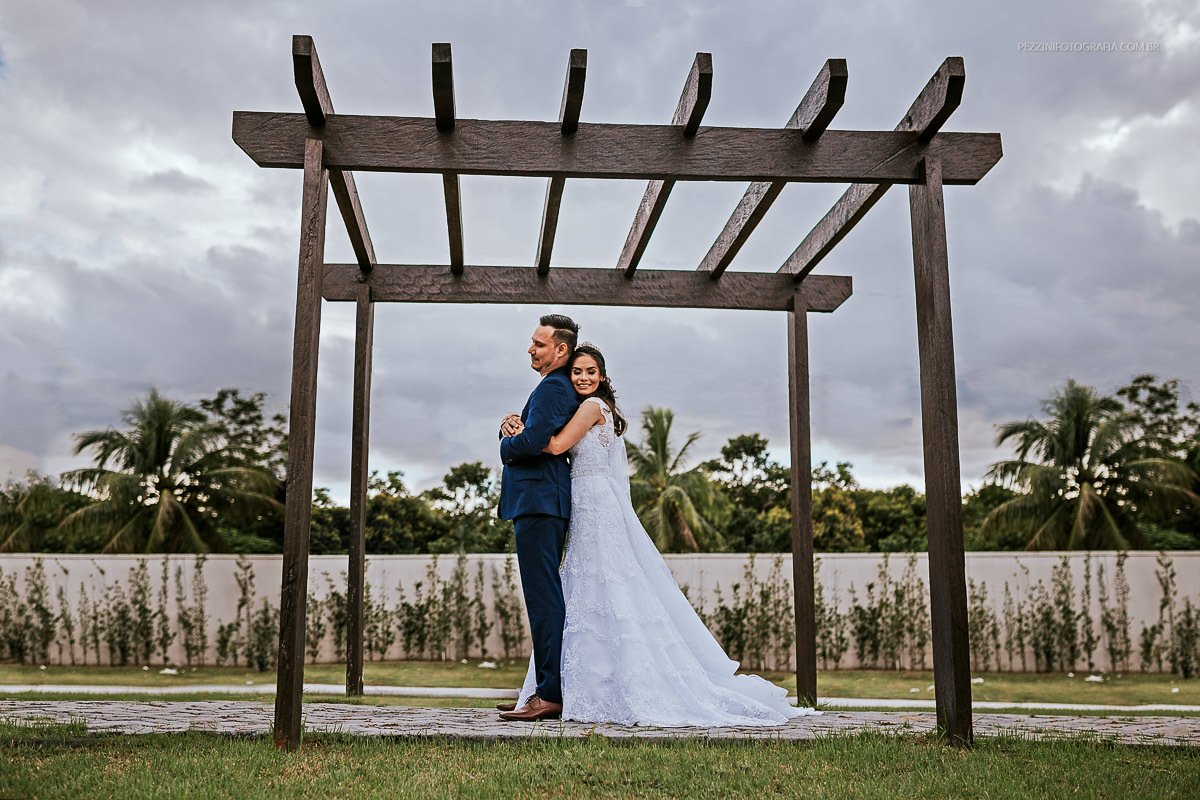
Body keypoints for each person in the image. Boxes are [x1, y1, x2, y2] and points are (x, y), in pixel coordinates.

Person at [504, 343, 819, 727]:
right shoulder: (596, 408)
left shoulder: (589, 408)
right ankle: (570, 687)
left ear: (602, 377)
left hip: (594, 500)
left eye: (590, 372)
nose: (582, 378)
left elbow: (553, 445)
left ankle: (586, 688)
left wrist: (517, 432)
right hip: (589, 499)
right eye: (576, 372)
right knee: (590, 584)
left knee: (599, 582)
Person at [495, 314, 580, 722]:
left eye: (538, 343)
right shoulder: (552, 387)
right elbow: (527, 431)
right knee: (543, 597)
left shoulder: (552, 387)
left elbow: (531, 442)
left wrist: (507, 441)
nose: (531, 348)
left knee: (543, 599)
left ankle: (549, 695)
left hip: (539, 503)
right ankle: (540, 688)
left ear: (560, 350)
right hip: (541, 502)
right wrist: (508, 425)